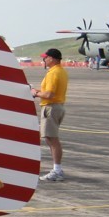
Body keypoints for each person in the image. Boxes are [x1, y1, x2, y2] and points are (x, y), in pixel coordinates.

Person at [31, 47, 69, 182]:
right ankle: (57, 169)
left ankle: (57, 170)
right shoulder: (60, 71)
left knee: (52, 139)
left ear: (51, 59)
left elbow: (49, 94)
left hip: (51, 107)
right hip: (57, 107)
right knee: (50, 138)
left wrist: (35, 93)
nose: (44, 60)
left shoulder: (53, 73)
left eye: (45, 58)